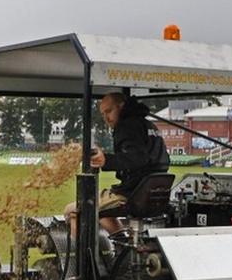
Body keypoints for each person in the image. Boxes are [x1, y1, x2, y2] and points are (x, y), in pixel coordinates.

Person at [64, 92, 170, 237]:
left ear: (121, 107)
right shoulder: (149, 125)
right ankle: (123, 249)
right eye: (103, 114)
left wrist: (106, 160)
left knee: (72, 211)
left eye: (109, 111)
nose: (106, 118)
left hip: (131, 194)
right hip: (154, 193)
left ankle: (78, 258)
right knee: (105, 214)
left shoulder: (126, 126)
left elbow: (137, 158)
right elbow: (158, 160)